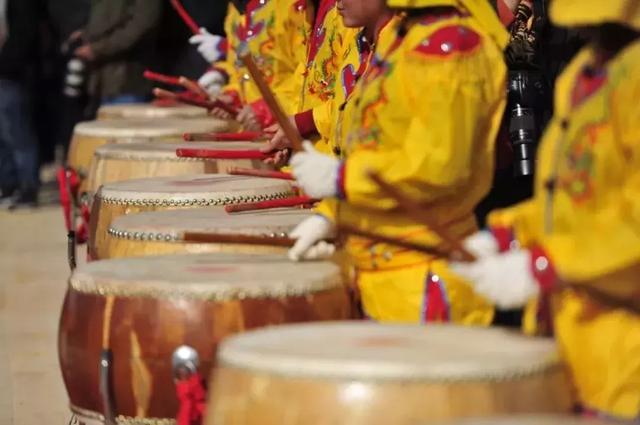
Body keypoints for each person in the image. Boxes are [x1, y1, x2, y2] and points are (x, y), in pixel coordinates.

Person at [451, 0, 640, 420]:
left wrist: (545, 264)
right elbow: (573, 197)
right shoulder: (585, 72)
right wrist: (509, 232)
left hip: (627, 363)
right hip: (574, 345)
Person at [288, 0, 509, 324]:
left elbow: (438, 166)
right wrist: (333, 216)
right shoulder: (400, 36)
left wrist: (342, 179)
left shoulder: (452, 45)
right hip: (376, 273)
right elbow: (374, 145)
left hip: (423, 281)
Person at [190, 0, 310, 130]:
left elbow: (310, 79)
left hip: (292, 131)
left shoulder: (295, 6)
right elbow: (239, 70)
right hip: (254, 131)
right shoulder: (235, 9)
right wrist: (233, 97)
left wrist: (267, 109)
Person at [72, 0, 162, 113]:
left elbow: (143, 23)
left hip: (128, 82)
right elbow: (107, 18)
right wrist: (86, 34)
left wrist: (97, 49)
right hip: (101, 82)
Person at [0, 0, 40, 209]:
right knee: (3, 138)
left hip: (12, 76)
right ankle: (8, 186)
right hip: (7, 75)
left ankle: (27, 188)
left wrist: (6, 64)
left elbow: (25, 36)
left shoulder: (21, 4)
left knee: (18, 135)